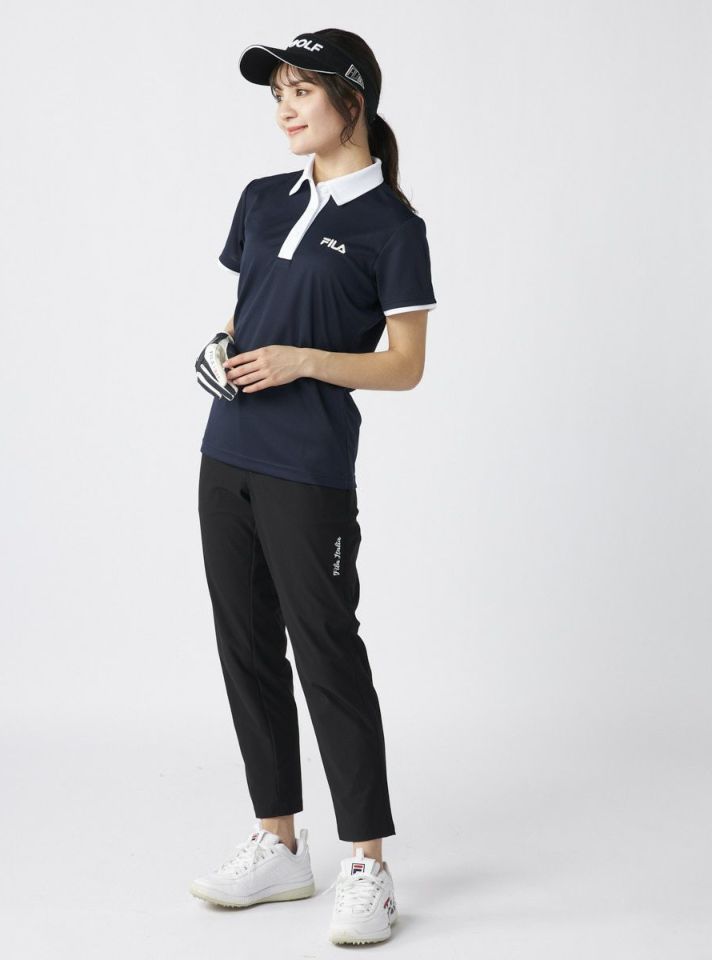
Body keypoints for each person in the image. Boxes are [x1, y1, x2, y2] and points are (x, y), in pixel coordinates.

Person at [190, 28, 437, 946]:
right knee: (247, 648)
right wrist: (220, 344)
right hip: (228, 456)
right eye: (278, 94)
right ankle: (280, 844)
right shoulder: (262, 199)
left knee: (328, 655)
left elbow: (406, 365)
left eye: (302, 90)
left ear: (353, 101)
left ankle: (367, 863)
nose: (286, 109)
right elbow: (248, 310)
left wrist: (304, 361)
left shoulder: (393, 228)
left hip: (310, 470)